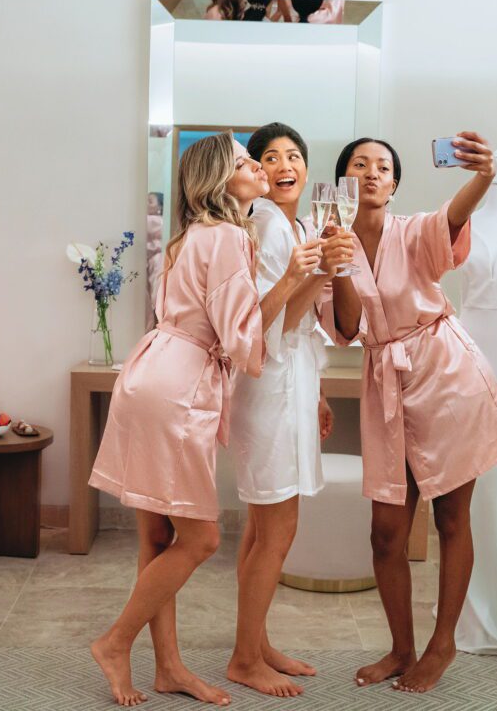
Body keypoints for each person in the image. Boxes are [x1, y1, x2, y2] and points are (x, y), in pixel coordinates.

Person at [87, 133, 321, 707]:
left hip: (152, 372)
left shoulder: (190, 236)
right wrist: (292, 276)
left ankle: (168, 668)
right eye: (246, 161)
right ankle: (117, 642)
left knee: (159, 536)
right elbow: (242, 337)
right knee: (201, 539)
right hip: (176, 388)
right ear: (221, 180)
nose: (259, 166)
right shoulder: (226, 237)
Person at [324, 135, 497, 693]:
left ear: (394, 184)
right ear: (343, 180)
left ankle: (442, 645)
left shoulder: (412, 231)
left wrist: (483, 176)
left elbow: (452, 215)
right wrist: (338, 262)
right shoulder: (328, 243)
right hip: (385, 386)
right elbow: (343, 329)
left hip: (444, 376)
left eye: (383, 167)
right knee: (386, 533)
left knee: (451, 519)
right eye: (359, 165)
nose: (371, 173)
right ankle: (400, 648)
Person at [226, 122, 354, 697]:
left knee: (263, 529)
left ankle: (256, 643)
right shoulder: (266, 227)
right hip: (269, 390)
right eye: (269, 157)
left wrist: (320, 391)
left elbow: (297, 323)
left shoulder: (291, 226)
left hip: (289, 386)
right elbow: (265, 322)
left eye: (294, 155)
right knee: (276, 528)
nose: (283, 164)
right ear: (255, 170)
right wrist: (322, 269)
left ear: (307, 168)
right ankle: (243, 659)